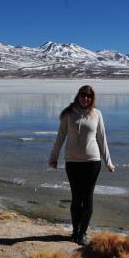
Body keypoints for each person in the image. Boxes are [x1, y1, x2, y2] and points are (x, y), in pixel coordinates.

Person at [48, 85, 115, 245]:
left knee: (88, 198)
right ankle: (75, 231)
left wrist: (108, 162)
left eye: (89, 96)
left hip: (92, 162)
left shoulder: (97, 114)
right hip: (72, 163)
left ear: (92, 98)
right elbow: (60, 137)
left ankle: (83, 233)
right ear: (78, 96)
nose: (86, 98)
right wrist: (53, 157)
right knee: (76, 199)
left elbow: (102, 139)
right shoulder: (68, 114)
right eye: (83, 95)